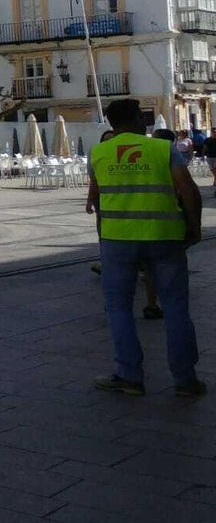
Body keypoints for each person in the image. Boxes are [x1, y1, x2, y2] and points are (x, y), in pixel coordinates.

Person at [86, 100, 204, 397]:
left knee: (119, 308)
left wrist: (103, 232)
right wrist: (194, 227)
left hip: (117, 240)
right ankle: (185, 379)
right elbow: (189, 190)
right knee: (176, 307)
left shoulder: (98, 153)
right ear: (137, 119)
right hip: (164, 236)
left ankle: (129, 376)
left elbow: (97, 198)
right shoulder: (162, 149)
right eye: (142, 115)